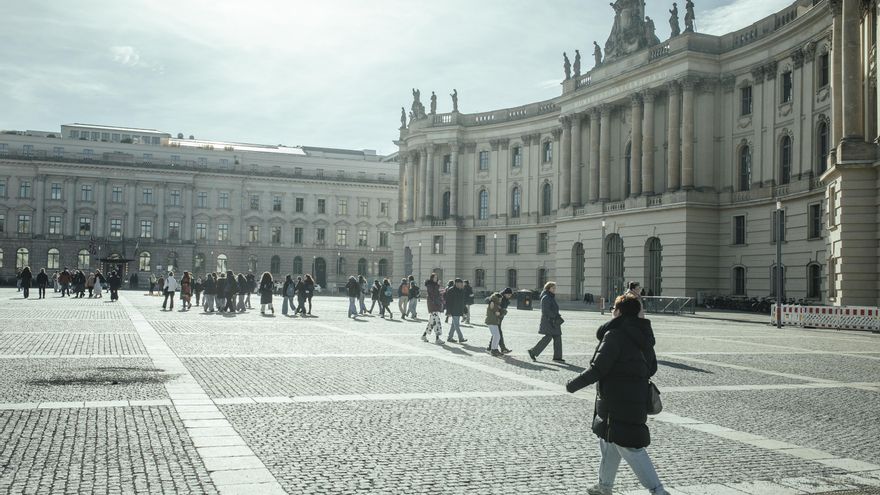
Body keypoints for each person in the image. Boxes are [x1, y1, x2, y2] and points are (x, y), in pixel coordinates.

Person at [566, 294, 668, 495]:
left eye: (614, 308)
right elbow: (652, 368)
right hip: (633, 397)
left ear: (619, 311)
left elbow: (598, 368)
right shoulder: (643, 335)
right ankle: (604, 487)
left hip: (617, 400)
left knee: (632, 448)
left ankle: (658, 491)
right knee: (609, 443)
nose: (612, 311)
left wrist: (572, 385)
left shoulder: (614, 334)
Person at [528, 281, 565, 363]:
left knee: (558, 337)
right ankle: (533, 351)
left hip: (554, 321)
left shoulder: (550, 297)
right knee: (548, 337)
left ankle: (557, 357)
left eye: (555, 288)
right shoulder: (546, 297)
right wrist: (554, 316)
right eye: (553, 288)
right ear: (548, 288)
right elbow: (545, 311)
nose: (554, 289)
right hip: (549, 321)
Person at [487, 288, 514, 354]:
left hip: (498, 318)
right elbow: (497, 310)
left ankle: (490, 347)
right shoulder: (499, 299)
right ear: (505, 294)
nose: (509, 296)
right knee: (498, 333)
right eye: (508, 294)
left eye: (510, 295)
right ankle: (502, 348)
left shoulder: (503, 299)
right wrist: (503, 312)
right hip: (495, 319)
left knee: (496, 333)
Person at [421, 273, 443, 344]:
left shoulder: (434, 285)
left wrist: (440, 291)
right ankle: (437, 339)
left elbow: (436, 293)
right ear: (431, 278)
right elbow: (432, 293)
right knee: (437, 321)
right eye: (434, 277)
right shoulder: (430, 285)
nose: (436, 279)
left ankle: (424, 335)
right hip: (432, 304)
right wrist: (438, 285)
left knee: (431, 322)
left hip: (435, 304)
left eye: (436, 277)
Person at [485, 290, 508, 357]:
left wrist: (502, 311)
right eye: (500, 299)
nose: (501, 300)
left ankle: (494, 349)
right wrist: (502, 312)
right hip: (491, 321)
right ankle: (493, 350)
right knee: (496, 336)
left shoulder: (496, 304)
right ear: (497, 298)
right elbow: (497, 313)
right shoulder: (493, 303)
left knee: (497, 336)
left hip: (493, 321)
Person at [445, 279, 467, 343]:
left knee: (453, 325)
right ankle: (461, 338)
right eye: (461, 283)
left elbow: (463, 302)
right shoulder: (451, 290)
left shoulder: (462, 290)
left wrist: (464, 310)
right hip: (453, 310)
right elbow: (448, 302)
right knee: (456, 325)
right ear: (457, 283)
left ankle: (449, 338)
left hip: (459, 310)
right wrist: (448, 312)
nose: (462, 285)